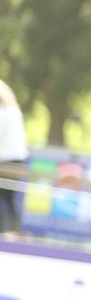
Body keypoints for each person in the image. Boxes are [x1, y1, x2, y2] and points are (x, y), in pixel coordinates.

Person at [0, 79, 30, 236]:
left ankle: (5, 232)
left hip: (4, 161)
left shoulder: (3, 112)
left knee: (2, 198)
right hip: (19, 160)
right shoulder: (15, 111)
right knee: (12, 199)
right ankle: (14, 232)